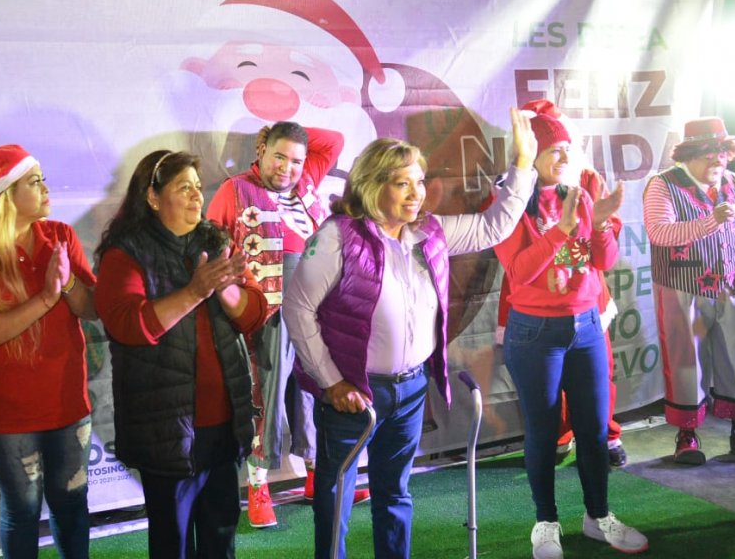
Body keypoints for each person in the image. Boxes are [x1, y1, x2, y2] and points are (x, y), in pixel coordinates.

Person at [284, 106, 536, 559]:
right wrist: (332, 382)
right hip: (353, 396)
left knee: (396, 494)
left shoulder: (430, 233)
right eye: (403, 183)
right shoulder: (338, 236)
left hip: (410, 390)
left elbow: (493, 225)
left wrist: (523, 166)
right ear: (371, 183)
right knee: (337, 497)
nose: (416, 193)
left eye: (419, 182)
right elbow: (298, 308)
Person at [93, 150, 267, 559]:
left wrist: (224, 288)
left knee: (220, 536)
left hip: (224, 422)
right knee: (172, 543)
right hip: (167, 430)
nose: (195, 196)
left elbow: (255, 314)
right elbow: (127, 326)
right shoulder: (126, 253)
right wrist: (194, 291)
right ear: (153, 198)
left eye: (196, 186)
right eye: (182, 187)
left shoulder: (214, 240)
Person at [491, 101, 646, 559]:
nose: (565, 157)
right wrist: (560, 231)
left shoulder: (583, 189)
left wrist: (597, 224)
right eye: (554, 149)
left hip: (586, 328)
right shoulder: (508, 197)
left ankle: (598, 516)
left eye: (568, 149)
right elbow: (519, 272)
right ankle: (545, 523)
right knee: (541, 431)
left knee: (595, 430)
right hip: (534, 331)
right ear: (531, 152)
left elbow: (606, 262)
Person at [205, 121, 363, 527]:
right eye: (279, 156)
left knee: (317, 391)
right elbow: (210, 249)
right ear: (261, 150)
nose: (288, 167)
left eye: (296, 159)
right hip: (266, 312)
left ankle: (316, 475)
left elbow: (335, 140)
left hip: (316, 309)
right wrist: (236, 301)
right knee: (267, 397)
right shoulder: (235, 190)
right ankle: (258, 489)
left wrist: (288, 137)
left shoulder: (306, 180)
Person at [0, 145, 99, 558]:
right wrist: (45, 297)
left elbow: (91, 309)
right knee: (22, 510)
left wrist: (68, 284)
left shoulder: (60, 236)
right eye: (34, 181)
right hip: (10, 413)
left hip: (68, 402)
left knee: (72, 504)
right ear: (5, 194)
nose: (45, 188)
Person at [643, 117, 735, 466]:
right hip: (682, 288)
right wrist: (712, 222)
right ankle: (687, 436)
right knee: (686, 360)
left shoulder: (733, 182)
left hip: (731, 286)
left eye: (723, 154)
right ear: (689, 155)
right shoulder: (663, 185)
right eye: (709, 155)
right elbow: (660, 233)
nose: (718, 162)